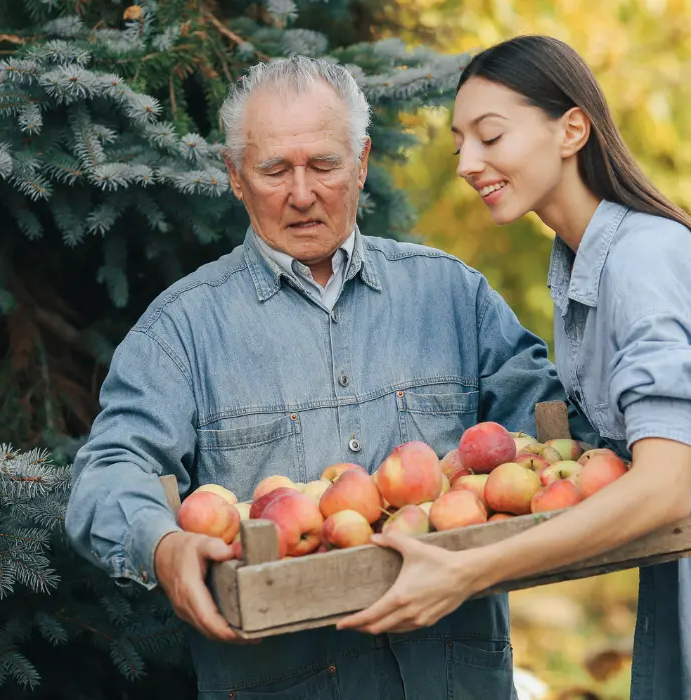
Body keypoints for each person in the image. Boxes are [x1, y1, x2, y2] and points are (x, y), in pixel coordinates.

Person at [336, 35, 691, 700]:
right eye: (458, 145)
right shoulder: (583, 263)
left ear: (572, 129)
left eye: (490, 136)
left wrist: (468, 572)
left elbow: (662, 490)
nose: (468, 163)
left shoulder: (643, 264)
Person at [65, 55, 596, 699]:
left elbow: (556, 436)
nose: (302, 193)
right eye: (273, 170)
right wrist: (161, 546)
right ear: (235, 175)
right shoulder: (180, 331)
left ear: (362, 161)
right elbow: (108, 471)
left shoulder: (451, 295)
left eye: (323, 164)